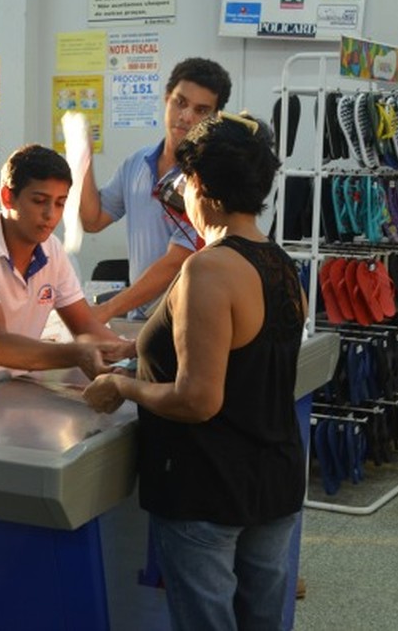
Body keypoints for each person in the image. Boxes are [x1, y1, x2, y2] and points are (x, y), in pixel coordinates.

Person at [82, 112, 307, 630]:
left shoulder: (206, 269)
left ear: (201, 185)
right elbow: (241, 353)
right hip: (273, 478)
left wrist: (123, 384)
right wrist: (137, 346)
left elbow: (198, 399)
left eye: (184, 179)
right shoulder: (280, 264)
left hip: (207, 485)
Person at [0, 143, 134, 379]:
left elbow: (85, 327)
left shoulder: (52, 249)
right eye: (39, 200)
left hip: (17, 383)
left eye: (59, 203)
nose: (50, 214)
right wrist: (77, 354)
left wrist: (134, 350)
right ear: (8, 197)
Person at [76, 57, 232, 322]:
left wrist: (108, 310)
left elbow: (174, 263)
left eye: (201, 110)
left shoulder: (208, 179)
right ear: (167, 98)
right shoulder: (137, 163)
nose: (186, 117)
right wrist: (83, 158)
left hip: (187, 321)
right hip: (140, 319)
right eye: (180, 103)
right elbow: (92, 220)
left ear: (214, 118)